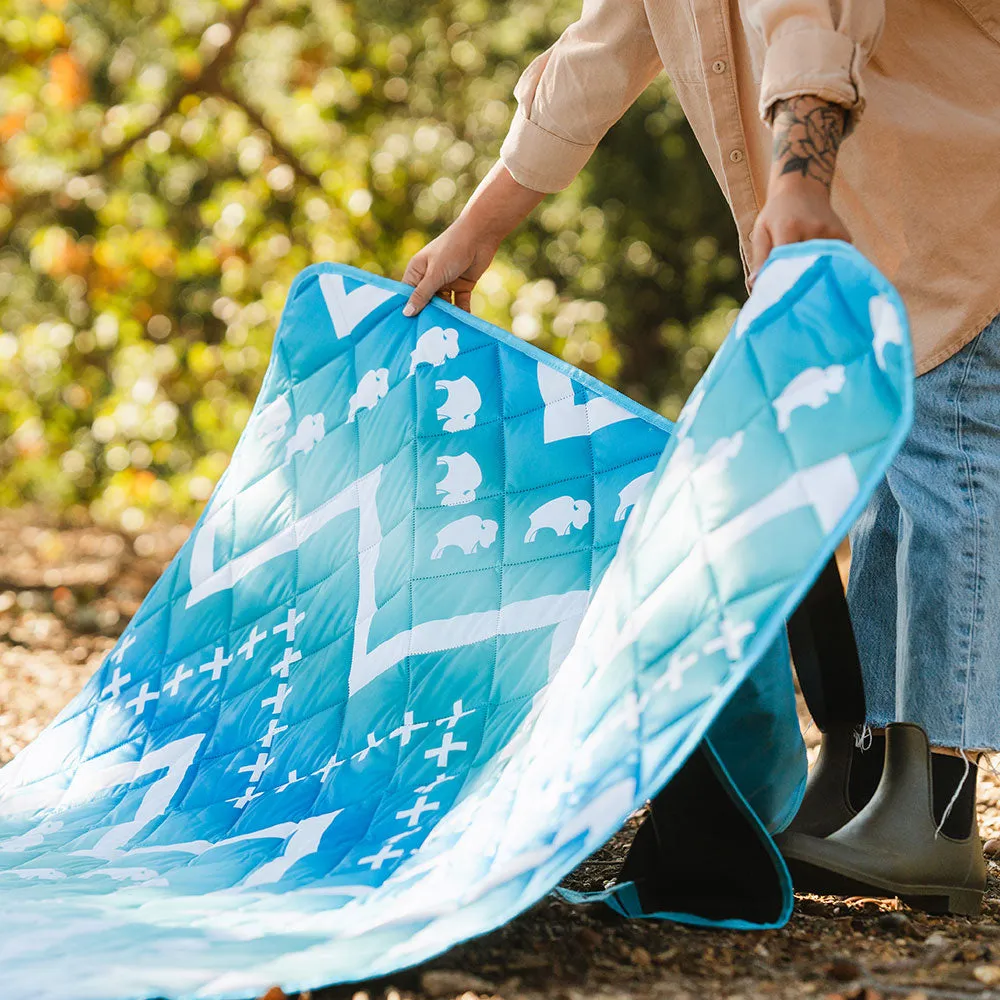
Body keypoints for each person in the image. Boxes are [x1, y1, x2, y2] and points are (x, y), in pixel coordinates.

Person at [399, 0, 1000, 915]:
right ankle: (866, 770)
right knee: (836, 488)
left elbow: (816, 19)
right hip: (844, 231)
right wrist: (476, 230)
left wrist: (800, 180)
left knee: (946, 472)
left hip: (961, 206)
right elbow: (600, 55)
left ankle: (940, 815)